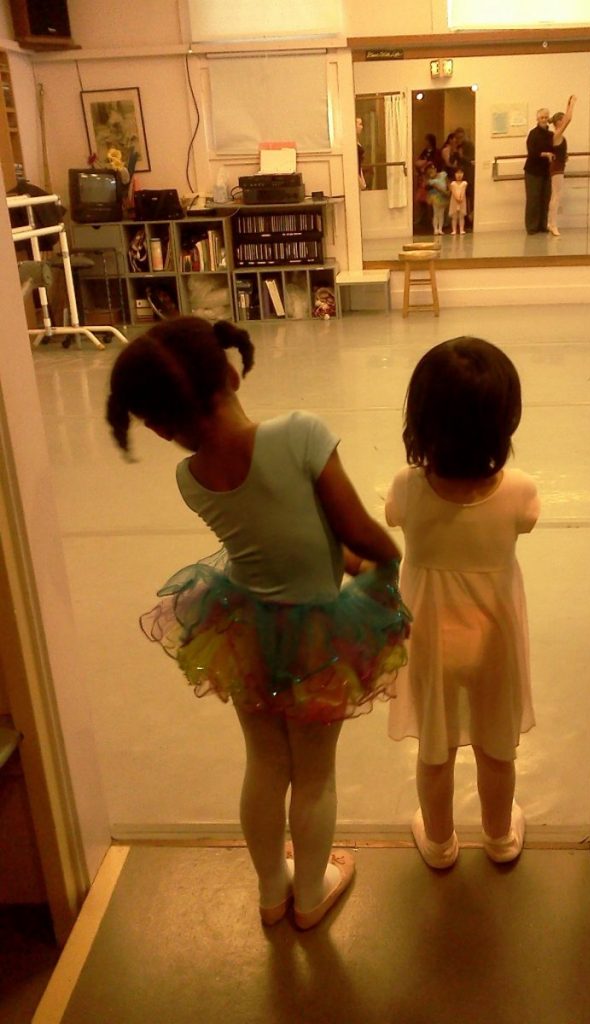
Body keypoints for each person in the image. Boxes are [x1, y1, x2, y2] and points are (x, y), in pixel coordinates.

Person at [105, 317, 410, 928]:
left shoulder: (190, 478)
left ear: (162, 427)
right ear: (232, 370)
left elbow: (279, 536)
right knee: (315, 775)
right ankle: (312, 894)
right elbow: (355, 531)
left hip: (244, 630)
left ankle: (273, 890)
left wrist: (340, 559)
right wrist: (388, 559)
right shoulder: (301, 435)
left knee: (265, 765)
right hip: (320, 637)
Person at [386, 337, 540, 869]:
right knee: (497, 747)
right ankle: (499, 837)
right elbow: (529, 519)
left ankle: (440, 840)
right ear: (505, 420)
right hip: (494, 639)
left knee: (435, 749)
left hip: (430, 640)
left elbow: (390, 516)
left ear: (421, 420)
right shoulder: (519, 490)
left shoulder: (407, 488)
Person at [547, 96, 577, 236]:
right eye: (562, 120)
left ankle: (551, 223)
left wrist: (567, 105)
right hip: (557, 167)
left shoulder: (558, 135)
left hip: (558, 166)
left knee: (556, 195)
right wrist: (572, 104)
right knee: (556, 196)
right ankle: (552, 224)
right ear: (559, 122)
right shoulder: (556, 134)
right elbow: (569, 119)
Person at [524, 108, 554, 234]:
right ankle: (531, 227)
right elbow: (532, 152)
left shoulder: (551, 135)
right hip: (532, 172)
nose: (544, 120)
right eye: (542, 117)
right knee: (533, 199)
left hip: (547, 172)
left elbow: (556, 149)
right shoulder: (533, 134)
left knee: (545, 198)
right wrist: (545, 154)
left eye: (546, 117)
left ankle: (543, 225)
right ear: (537, 119)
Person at [414, 134, 441, 232]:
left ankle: (433, 221)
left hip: (432, 178)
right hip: (423, 177)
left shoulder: (437, 152)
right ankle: (423, 218)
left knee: (432, 200)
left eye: (427, 141)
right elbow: (418, 162)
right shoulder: (424, 151)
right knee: (422, 199)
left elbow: (436, 163)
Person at [453, 127, 475, 228]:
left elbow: (471, 160)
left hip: (468, 174)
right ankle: (463, 221)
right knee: (460, 197)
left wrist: (462, 156)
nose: (459, 140)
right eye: (457, 138)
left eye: (460, 137)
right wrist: (454, 151)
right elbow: (452, 160)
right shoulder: (457, 147)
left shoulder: (469, 145)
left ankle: (470, 220)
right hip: (459, 175)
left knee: (470, 197)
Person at [425, 162, 449, 235]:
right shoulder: (431, 181)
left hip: (443, 196)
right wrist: (445, 192)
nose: (432, 172)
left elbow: (447, 182)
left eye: (433, 169)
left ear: (435, 169)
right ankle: (435, 229)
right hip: (436, 196)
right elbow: (438, 188)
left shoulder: (443, 174)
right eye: (430, 172)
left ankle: (440, 229)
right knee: (436, 213)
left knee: (441, 213)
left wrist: (449, 191)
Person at [449, 167, 468, 235]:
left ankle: (461, 229)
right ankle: (454, 230)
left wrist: (461, 198)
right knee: (454, 216)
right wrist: (457, 198)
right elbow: (453, 191)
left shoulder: (464, 183)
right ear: (454, 174)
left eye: (461, 173)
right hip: (454, 201)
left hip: (462, 200)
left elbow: (463, 191)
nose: (459, 175)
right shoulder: (453, 183)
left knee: (461, 216)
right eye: (457, 173)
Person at [356, 116, 367, 191]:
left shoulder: (356, 140)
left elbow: (359, 164)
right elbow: (353, 164)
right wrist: (359, 180)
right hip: (355, 176)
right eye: (360, 124)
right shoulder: (351, 143)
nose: (362, 127)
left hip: (359, 173)